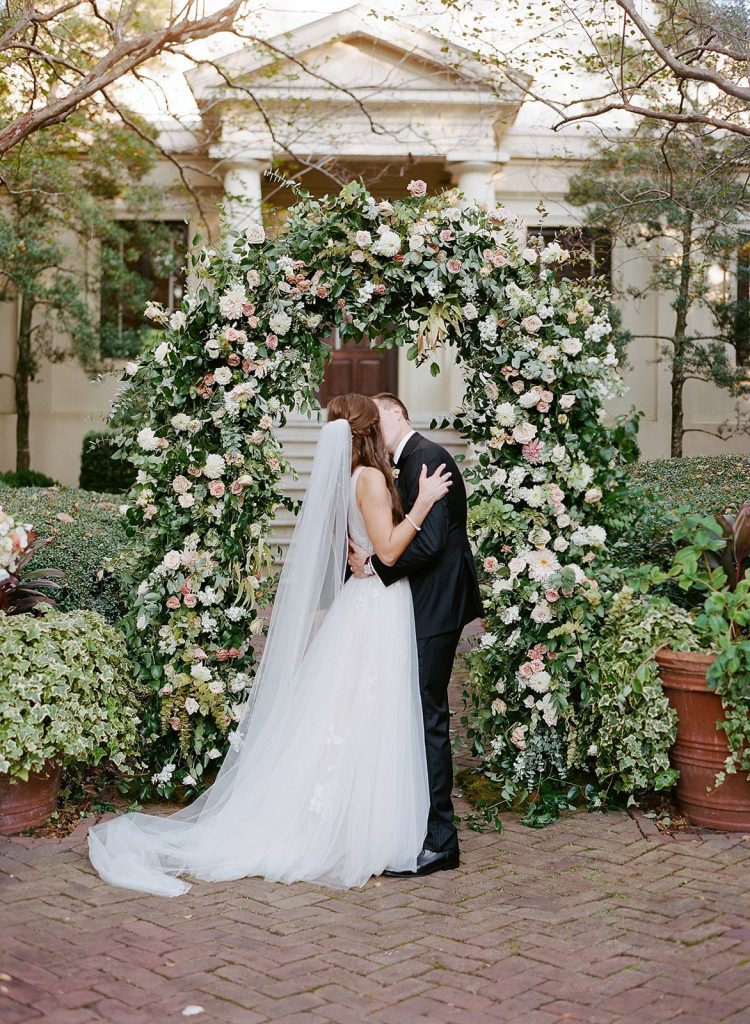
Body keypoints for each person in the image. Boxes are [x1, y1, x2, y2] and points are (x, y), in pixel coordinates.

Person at [87, 394, 452, 896]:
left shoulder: (352, 480)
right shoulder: (368, 479)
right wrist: (424, 504)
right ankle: (363, 826)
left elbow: (370, 549)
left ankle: (360, 820)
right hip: (376, 607)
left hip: (369, 601)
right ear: (369, 433)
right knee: (371, 709)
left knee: (357, 712)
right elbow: (388, 548)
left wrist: (370, 555)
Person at [348, 394, 483, 878]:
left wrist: (376, 568)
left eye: (377, 415)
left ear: (399, 415)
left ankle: (442, 842)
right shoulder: (393, 467)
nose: (369, 424)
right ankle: (416, 826)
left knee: (429, 718)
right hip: (416, 604)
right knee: (413, 714)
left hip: (435, 607)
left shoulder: (428, 458)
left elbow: (429, 545)